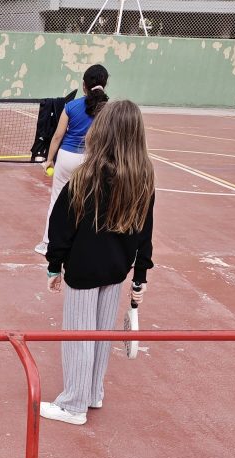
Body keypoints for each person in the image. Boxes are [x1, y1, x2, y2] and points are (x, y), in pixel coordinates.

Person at [40, 100, 155, 426]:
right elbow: (146, 231)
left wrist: (54, 266)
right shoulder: (143, 178)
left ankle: (74, 405)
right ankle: (92, 392)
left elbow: (61, 227)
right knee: (102, 334)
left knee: (79, 335)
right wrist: (140, 277)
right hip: (116, 271)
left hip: (83, 269)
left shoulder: (86, 176)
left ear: (102, 132)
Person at [35, 64, 109, 255]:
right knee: (89, 203)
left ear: (84, 85)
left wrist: (49, 160)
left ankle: (48, 243)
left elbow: (57, 136)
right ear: (105, 84)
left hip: (67, 158)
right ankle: (80, 245)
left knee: (57, 200)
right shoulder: (109, 110)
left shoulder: (71, 106)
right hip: (92, 160)